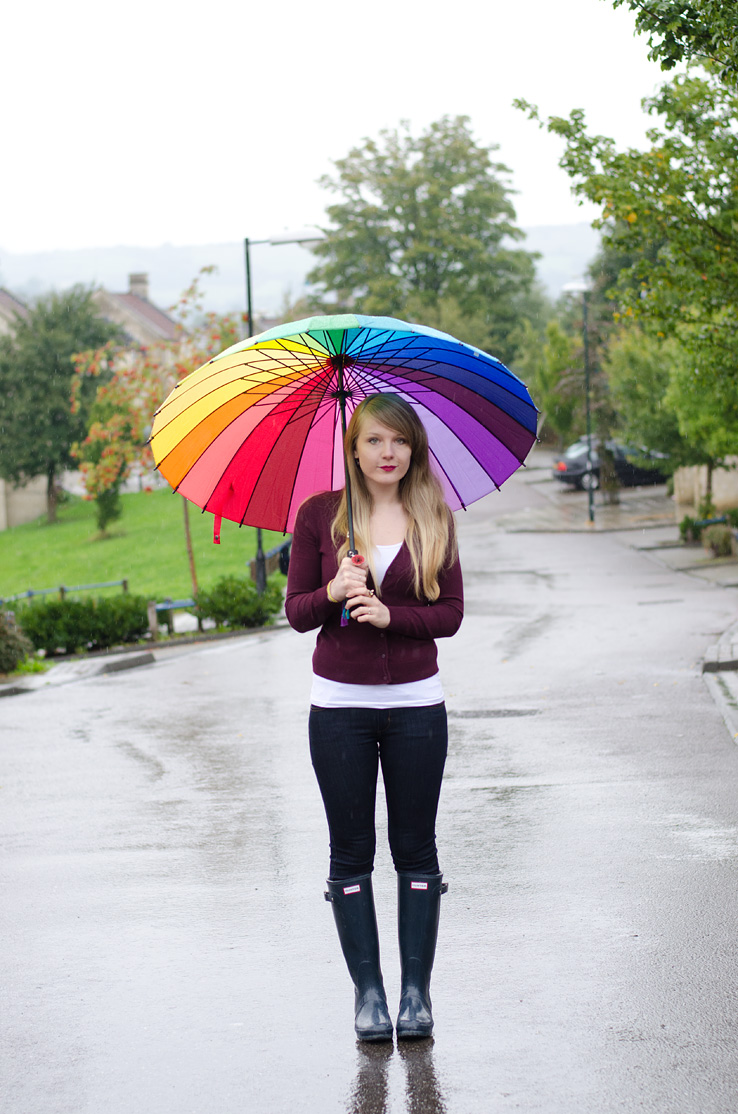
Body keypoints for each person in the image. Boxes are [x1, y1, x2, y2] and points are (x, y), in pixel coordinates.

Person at [285, 393, 464, 1042]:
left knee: (415, 846)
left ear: (413, 450)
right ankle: (369, 996)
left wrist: (394, 616)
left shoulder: (432, 514)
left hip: (417, 704)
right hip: (339, 707)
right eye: (374, 441)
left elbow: (451, 614)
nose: (388, 454)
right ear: (353, 449)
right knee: (351, 850)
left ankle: (416, 996)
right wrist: (333, 591)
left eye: (400, 442)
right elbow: (297, 612)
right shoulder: (319, 518)